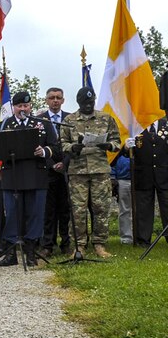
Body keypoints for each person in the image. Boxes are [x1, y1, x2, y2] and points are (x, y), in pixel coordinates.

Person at [0, 90, 60, 266]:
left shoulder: (41, 123)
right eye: (19, 106)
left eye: (26, 105)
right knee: (13, 213)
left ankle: (31, 252)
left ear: (30, 106)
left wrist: (44, 151)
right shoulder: (4, 124)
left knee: (35, 213)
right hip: (12, 176)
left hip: (36, 175)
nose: (23, 109)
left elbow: (56, 146)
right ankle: (11, 253)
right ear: (13, 107)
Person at [60, 86, 120, 258]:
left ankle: (99, 244)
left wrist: (109, 145)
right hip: (77, 172)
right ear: (79, 102)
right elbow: (62, 144)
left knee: (101, 208)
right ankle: (79, 245)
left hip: (100, 170)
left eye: (91, 102)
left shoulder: (105, 118)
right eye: (85, 103)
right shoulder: (69, 120)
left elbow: (117, 140)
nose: (88, 105)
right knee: (78, 210)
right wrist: (73, 147)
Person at [37, 87, 71, 255]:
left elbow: (73, 145)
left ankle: (66, 244)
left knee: (65, 210)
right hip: (47, 171)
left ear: (63, 100)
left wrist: (64, 163)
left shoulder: (70, 118)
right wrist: (51, 164)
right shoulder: (39, 120)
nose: (55, 100)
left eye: (58, 97)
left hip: (66, 171)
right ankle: (47, 245)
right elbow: (37, 146)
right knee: (48, 210)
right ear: (46, 100)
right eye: (52, 97)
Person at [130, 114, 168, 248]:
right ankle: (143, 240)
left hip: (164, 174)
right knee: (143, 209)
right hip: (143, 175)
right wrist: (126, 147)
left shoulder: (165, 124)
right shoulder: (135, 126)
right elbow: (127, 153)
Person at [111, 151, 133, 245]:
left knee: (141, 211)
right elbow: (111, 158)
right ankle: (126, 237)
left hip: (139, 178)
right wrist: (112, 176)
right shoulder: (119, 141)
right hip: (122, 179)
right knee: (124, 209)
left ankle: (140, 236)